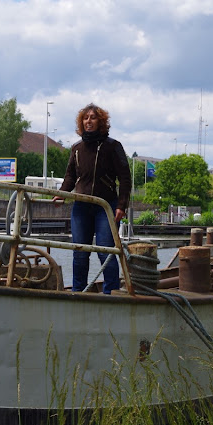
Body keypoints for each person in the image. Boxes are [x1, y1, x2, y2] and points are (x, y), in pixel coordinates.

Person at [55, 103, 132, 294]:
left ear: (101, 122)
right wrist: (62, 192)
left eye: (93, 118)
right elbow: (71, 176)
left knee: (105, 251)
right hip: (81, 206)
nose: (89, 121)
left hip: (105, 206)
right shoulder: (77, 148)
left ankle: (111, 292)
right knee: (79, 252)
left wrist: (121, 205)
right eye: (85, 118)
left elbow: (125, 178)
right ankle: (78, 292)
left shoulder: (113, 146)